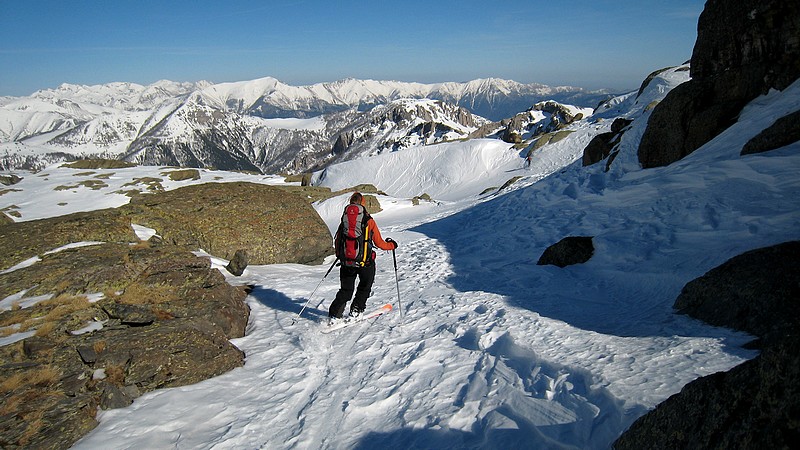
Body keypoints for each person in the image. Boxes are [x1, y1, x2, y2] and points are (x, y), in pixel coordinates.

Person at [329, 192, 397, 322]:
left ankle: (334, 315)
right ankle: (356, 310)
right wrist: (392, 245)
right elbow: (380, 243)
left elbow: (338, 240)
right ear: (363, 203)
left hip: (346, 262)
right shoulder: (368, 221)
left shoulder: (344, 220)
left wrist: (340, 255)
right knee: (365, 286)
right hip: (365, 262)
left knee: (346, 290)